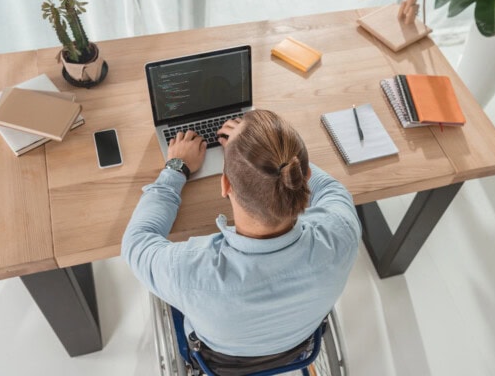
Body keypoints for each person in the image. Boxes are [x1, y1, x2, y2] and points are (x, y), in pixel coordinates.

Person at [122, 109, 361, 360]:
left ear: (225, 185)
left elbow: (137, 239)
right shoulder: (342, 232)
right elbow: (331, 189)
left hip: (219, 357)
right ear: (305, 176)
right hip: (298, 343)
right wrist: (264, 147)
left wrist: (176, 167)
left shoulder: (188, 272)